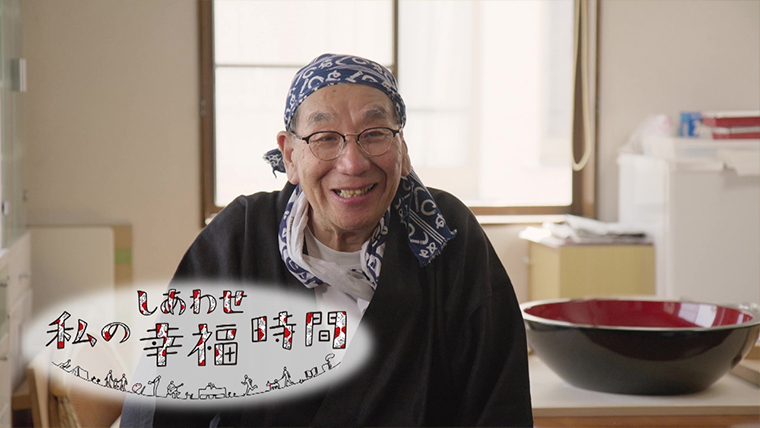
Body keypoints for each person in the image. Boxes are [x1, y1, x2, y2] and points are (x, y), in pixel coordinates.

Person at [122, 53, 532, 427]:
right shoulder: (241, 239)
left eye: (375, 133)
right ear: (289, 155)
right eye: (325, 138)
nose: (352, 163)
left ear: (402, 148)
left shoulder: (445, 235)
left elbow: (500, 405)